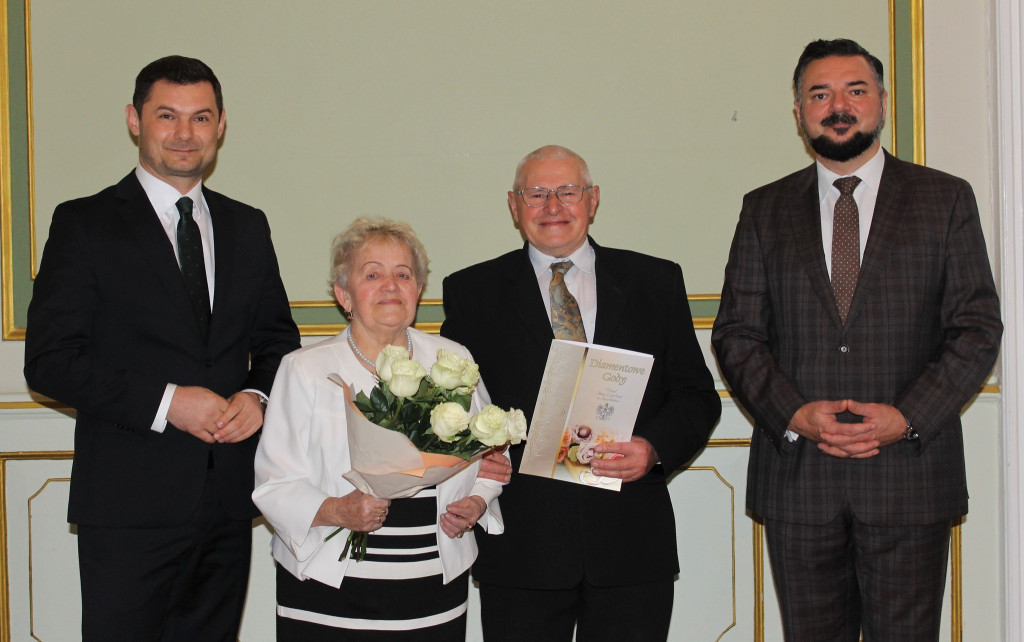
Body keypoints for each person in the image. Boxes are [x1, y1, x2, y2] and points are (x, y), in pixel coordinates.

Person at [711, 38, 1003, 641]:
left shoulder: (944, 199)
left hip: (910, 477)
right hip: (800, 481)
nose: (837, 105)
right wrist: (794, 413)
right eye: (820, 94)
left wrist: (907, 417)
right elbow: (738, 333)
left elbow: (975, 327)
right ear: (798, 111)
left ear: (882, 103)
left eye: (855, 90)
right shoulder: (764, 209)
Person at [22, 56, 301, 640]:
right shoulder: (84, 224)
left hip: (227, 501)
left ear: (221, 125)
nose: (184, 134)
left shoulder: (248, 226)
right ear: (134, 120)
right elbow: (50, 361)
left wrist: (256, 394)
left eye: (200, 118)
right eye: (166, 116)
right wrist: (168, 401)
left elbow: (277, 341)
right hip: (127, 506)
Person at [441, 145, 722, 641]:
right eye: (536, 194)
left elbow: (697, 395)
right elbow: (453, 406)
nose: (554, 207)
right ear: (513, 205)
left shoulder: (655, 281)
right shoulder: (472, 291)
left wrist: (653, 449)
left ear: (592, 200)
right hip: (522, 547)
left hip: (631, 543)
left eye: (568, 192)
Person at [252, 217, 511, 640]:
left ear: (417, 290)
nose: (390, 285)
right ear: (344, 295)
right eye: (372, 274)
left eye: (403, 275)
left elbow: (490, 456)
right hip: (328, 581)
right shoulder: (304, 369)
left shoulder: (453, 359)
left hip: (432, 582)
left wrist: (478, 502)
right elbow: (273, 483)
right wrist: (339, 510)